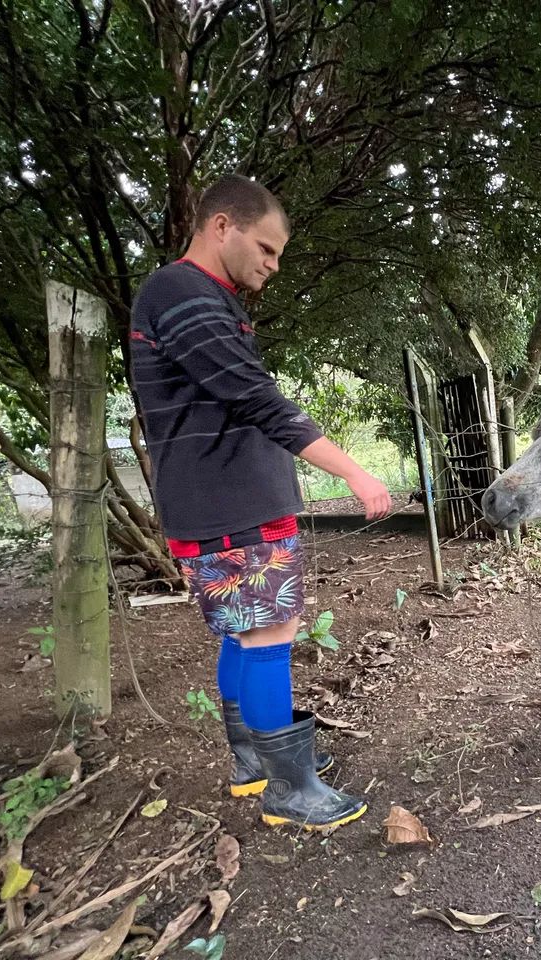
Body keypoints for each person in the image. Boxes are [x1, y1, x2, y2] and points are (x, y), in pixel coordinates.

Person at [130, 174, 392, 831]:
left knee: (246, 634)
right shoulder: (181, 291)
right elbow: (256, 399)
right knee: (270, 634)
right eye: (267, 248)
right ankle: (290, 790)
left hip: (227, 499)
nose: (273, 264)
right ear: (223, 226)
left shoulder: (205, 299)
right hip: (228, 503)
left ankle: (256, 763)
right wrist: (355, 473)